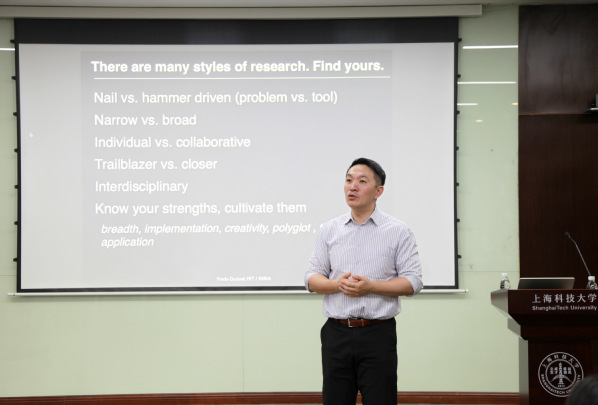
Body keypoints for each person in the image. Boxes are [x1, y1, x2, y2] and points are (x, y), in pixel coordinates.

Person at [304, 157, 423, 405]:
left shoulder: (398, 231)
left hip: (378, 333)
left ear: (378, 191)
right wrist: (337, 284)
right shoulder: (329, 229)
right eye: (348, 180)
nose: (352, 187)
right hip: (336, 333)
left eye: (361, 181)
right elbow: (312, 278)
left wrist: (371, 287)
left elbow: (412, 282)